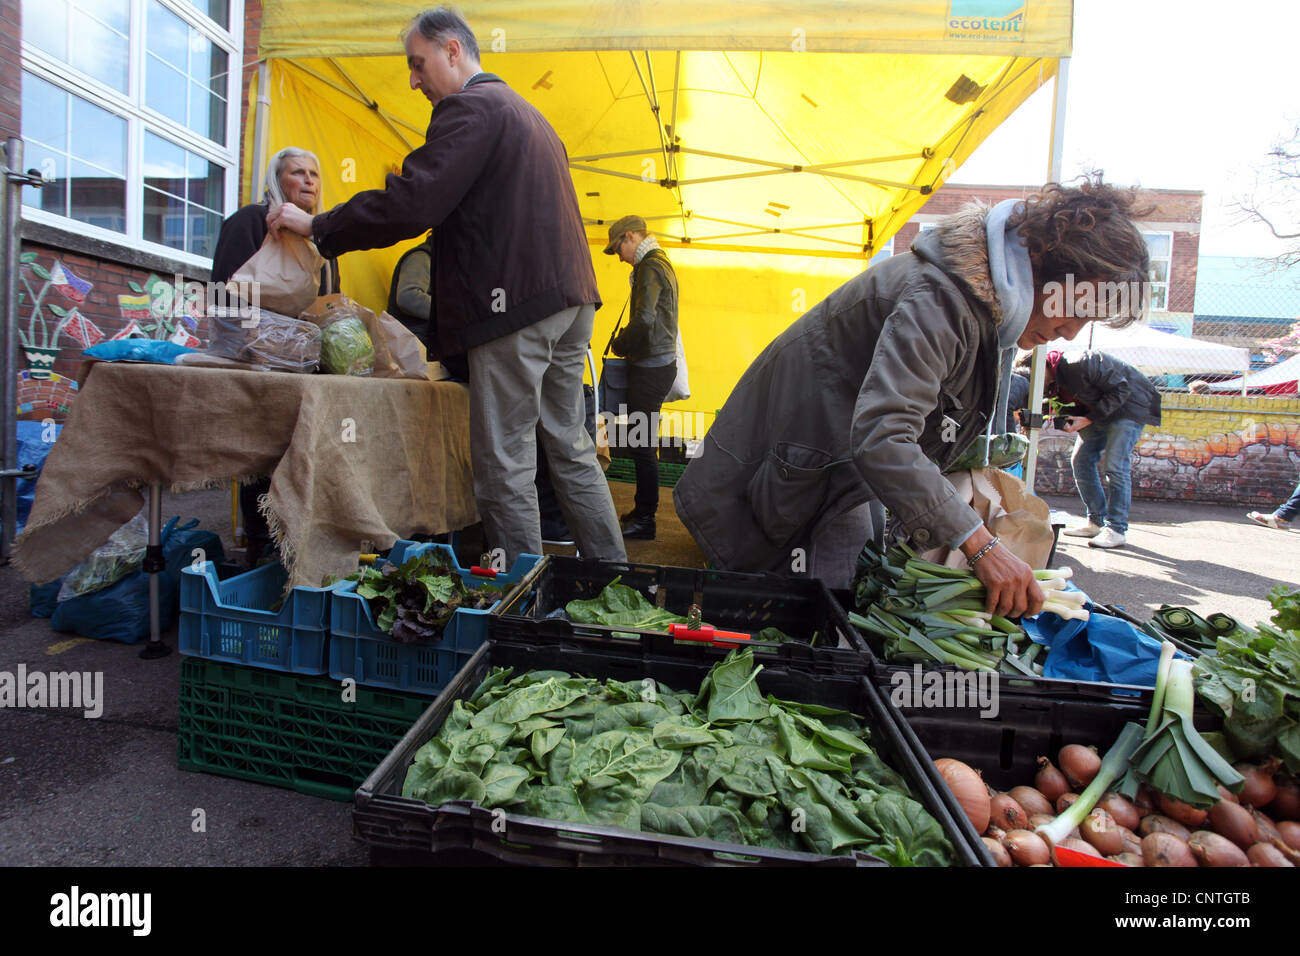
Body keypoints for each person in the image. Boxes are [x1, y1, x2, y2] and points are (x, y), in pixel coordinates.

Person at [673, 175, 1152, 616]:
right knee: (807, 623)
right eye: (1077, 309)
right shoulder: (940, 300)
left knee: (833, 608)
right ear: (1045, 267)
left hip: (827, 473)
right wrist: (980, 545)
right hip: (785, 477)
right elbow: (883, 439)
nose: (1070, 333)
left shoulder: (984, 306)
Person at [267, 6, 624, 565]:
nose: (413, 81)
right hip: (570, 300)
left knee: (504, 461)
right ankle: (614, 581)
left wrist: (318, 225)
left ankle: (521, 600)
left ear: (453, 50)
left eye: (417, 64)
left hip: (516, 306)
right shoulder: (529, 115)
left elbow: (413, 201)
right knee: (572, 447)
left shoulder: (470, 108)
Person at [210, 146, 342, 566]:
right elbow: (223, 298)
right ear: (276, 180)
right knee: (262, 455)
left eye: (314, 174)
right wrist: (260, 344)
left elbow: (329, 306)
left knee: (302, 451)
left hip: (304, 367)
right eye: (297, 173)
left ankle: (299, 546)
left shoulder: (323, 242)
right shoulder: (249, 222)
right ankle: (259, 546)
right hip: (255, 365)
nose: (308, 181)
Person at [603, 215, 680, 540]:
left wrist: (622, 343)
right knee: (643, 443)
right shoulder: (662, 262)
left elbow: (645, 319)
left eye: (618, 247)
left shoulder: (649, 266)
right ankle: (641, 510)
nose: (619, 256)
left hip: (650, 367)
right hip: (659, 364)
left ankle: (646, 519)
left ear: (631, 237)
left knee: (643, 445)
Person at [1049, 350, 1162, 549]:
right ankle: (1096, 522)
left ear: (1045, 367)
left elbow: (1121, 388)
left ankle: (1116, 530)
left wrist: (1089, 418)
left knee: (1115, 466)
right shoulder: (1057, 382)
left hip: (1129, 408)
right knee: (1081, 460)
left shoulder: (1081, 362)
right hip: (1101, 413)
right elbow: (1081, 399)